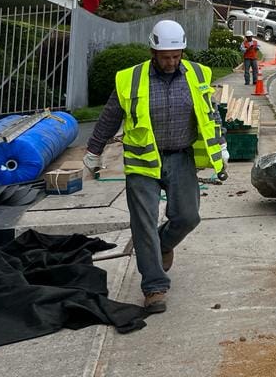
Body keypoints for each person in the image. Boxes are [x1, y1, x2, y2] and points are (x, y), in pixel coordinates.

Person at [83, 20, 226, 314]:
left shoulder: (198, 74)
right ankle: (154, 287)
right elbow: (110, 116)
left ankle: (163, 244)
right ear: (153, 51)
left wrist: (221, 144)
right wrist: (94, 151)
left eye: (177, 56)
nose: (172, 62)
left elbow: (209, 112)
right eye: (165, 56)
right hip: (142, 161)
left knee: (188, 217)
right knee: (143, 224)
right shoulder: (130, 79)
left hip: (181, 157)